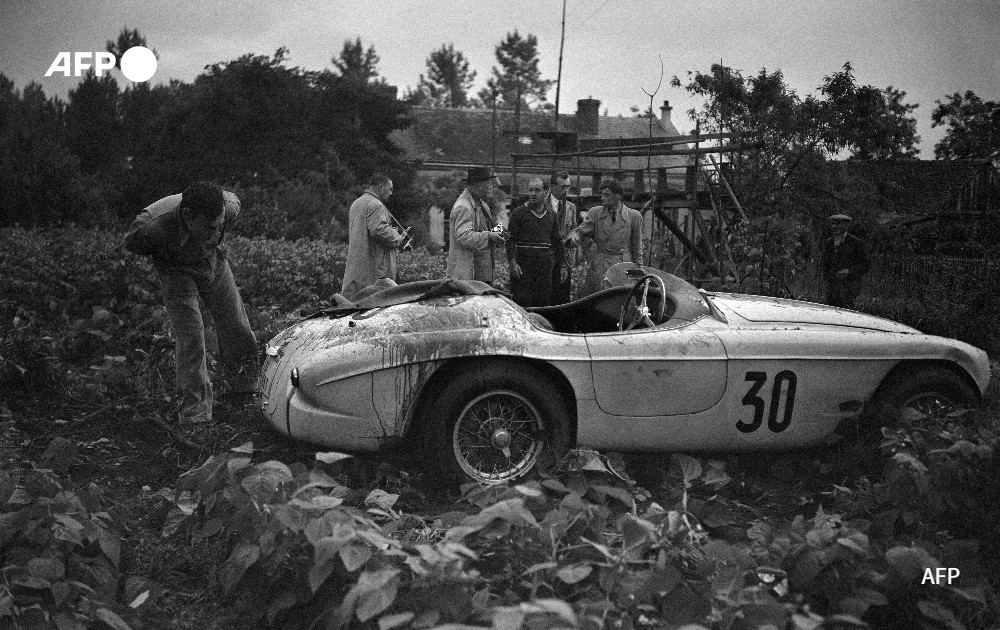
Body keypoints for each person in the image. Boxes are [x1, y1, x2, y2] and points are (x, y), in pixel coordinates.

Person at [124, 182, 258, 425]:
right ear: (187, 216)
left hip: (213, 264)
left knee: (236, 325)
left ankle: (244, 392)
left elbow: (219, 225)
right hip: (176, 272)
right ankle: (195, 416)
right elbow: (132, 245)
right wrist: (169, 255)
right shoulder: (150, 228)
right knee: (192, 338)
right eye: (209, 227)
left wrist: (208, 238)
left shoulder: (230, 207)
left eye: (219, 227)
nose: (216, 233)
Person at [565, 179, 644, 297]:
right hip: (600, 266)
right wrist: (574, 237)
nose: (602, 198)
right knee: (596, 302)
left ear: (617, 197)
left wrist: (639, 278)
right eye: (602, 194)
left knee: (621, 302)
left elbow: (637, 249)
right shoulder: (595, 213)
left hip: (623, 267)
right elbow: (580, 231)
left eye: (606, 195)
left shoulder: (634, 216)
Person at [341, 173, 408, 300]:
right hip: (375, 267)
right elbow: (378, 230)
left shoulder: (357, 203)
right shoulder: (376, 205)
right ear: (381, 187)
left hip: (358, 265)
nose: (391, 193)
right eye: (390, 189)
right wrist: (398, 238)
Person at [507, 177, 564, 307]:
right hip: (523, 266)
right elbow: (510, 239)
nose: (532, 194)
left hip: (544, 268)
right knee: (522, 303)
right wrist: (512, 262)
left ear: (546, 192)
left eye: (537, 190)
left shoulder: (551, 214)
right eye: (530, 190)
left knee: (542, 303)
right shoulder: (518, 213)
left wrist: (562, 265)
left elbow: (557, 241)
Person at [446, 166, 507, 284]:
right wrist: (489, 236)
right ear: (478, 184)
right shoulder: (463, 206)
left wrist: (499, 233)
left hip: (481, 273)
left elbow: (483, 229)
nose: (491, 186)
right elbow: (463, 237)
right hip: (467, 276)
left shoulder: (481, 205)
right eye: (488, 182)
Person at [822, 213, 870, 309]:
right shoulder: (829, 243)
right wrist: (828, 282)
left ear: (846, 225)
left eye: (838, 224)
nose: (835, 227)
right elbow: (825, 265)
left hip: (849, 288)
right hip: (832, 289)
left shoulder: (857, 243)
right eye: (833, 224)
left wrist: (849, 271)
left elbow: (865, 265)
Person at [547, 171, 577, 303]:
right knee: (545, 297)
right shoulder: (541, 204)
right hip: (545, 260)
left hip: (564, 260)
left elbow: (574, 230)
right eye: (562, 187)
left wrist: (574, 239)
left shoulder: (571, 207)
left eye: (568, 187)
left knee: (562, 298)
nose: (566, 190)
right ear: (552, 187)